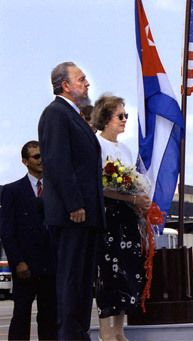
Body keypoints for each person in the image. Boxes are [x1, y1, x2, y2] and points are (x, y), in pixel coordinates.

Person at [38, 61, 106, 340]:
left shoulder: (75, 115)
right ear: (65, 85)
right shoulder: (55, 114)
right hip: (73, 215)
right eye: (81, 79)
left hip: (87, 215)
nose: (87, 83)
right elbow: (57, 163)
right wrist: (74, 203)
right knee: (70, 280)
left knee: (82, 283)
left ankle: (79, 333)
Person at [93, 94, 151, 341]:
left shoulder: (125, 150)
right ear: (105, 118)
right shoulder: (97, 146)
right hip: (108, 217)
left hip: (127, 218)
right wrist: (131, 198)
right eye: (120, 115)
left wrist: (141, 200)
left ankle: (119, 330)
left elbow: (132, 182)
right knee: (107, 271)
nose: (125, 119)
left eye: (126, 115)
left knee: (127, 269)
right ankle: (105, 331)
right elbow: (99, 185)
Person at [0, 141, 57, 340]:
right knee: (21, 314)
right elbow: (6, 231)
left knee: (50, 316)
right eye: (36, 157)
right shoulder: (12, 191)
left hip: (51, 265)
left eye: (43, 155)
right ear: (25, 161)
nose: (41, 160)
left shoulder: (56, 189)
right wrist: (18, 262)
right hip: (26, 266)